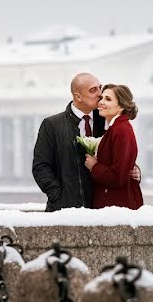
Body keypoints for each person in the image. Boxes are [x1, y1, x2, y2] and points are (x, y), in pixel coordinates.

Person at [32, 73, 139, 211]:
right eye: (93, 90)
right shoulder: (52, 125)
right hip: (64, 210)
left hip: (100, 210)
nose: (100, 94)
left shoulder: (106, 120)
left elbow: (119, 156)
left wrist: (134, 170)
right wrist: (59, 197)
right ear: (78, 97)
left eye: (100, 88)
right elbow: (40, 167)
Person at [84, 84, 144, 209]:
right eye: (101, 98)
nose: (101, 102)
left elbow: (118, 177)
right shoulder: (114, 128)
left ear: (121, 106)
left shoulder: (121, 130)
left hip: (118, 206)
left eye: (108, 99)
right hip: (113, 204)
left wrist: (94, 166)